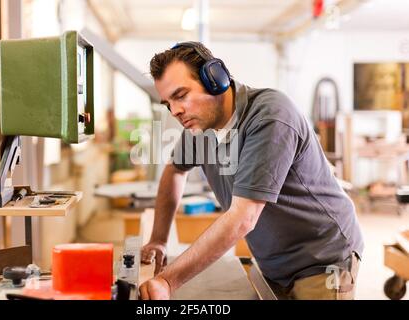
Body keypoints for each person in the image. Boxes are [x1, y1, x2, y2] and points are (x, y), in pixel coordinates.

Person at [139, 41, 364, 300]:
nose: (175, 111)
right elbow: (175, 170)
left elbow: (243, 217)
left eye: (181, 95)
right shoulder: (199, 127)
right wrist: (158, 239)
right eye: (168, 103)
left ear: (216, 79)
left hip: (321, 257)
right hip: (274, 260)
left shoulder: (270, 115)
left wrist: (168, 280)